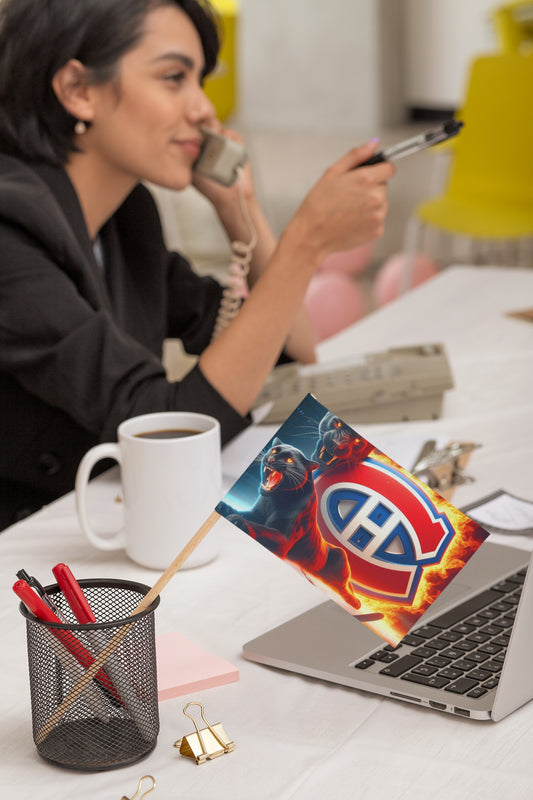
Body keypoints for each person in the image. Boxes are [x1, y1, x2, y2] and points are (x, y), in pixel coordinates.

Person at [0, 0, 395, 529]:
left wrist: (241, 209)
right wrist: (306, 244)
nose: (204, 110)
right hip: (35, 561)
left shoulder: (127, 215)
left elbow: (290, 355)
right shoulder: (10, 229)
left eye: (200, 81)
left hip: (109, 518)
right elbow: (163, 425)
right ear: (78, 90)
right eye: (173, 78)